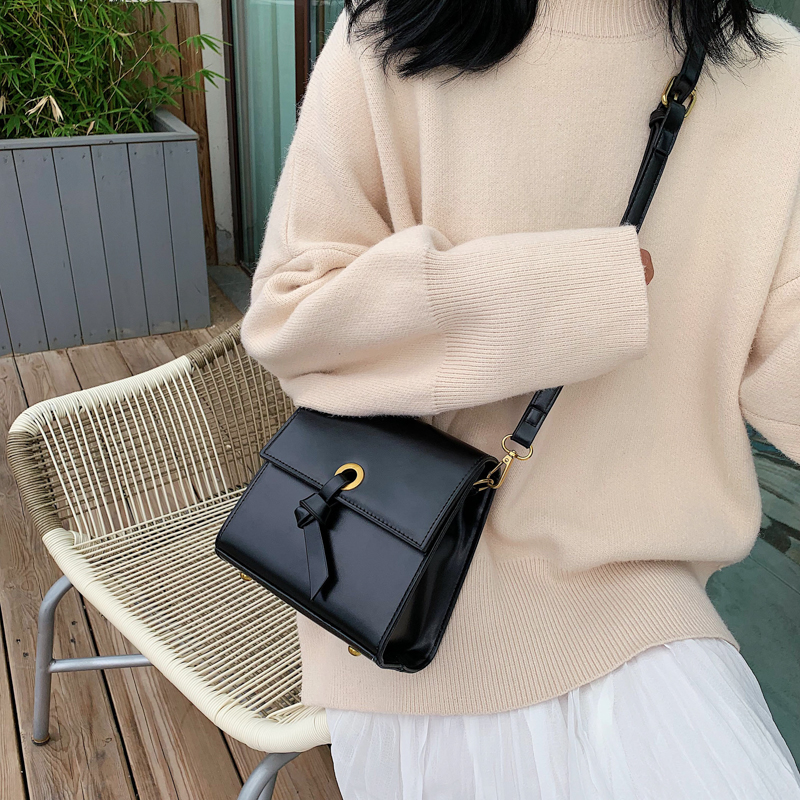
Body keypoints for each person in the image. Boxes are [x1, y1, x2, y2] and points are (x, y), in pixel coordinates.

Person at [239, 0, 800, 795]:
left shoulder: (772, 76)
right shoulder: (395, 34)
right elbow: (294, 318)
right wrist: (571, 293)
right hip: (407, 589)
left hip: (647, 605)